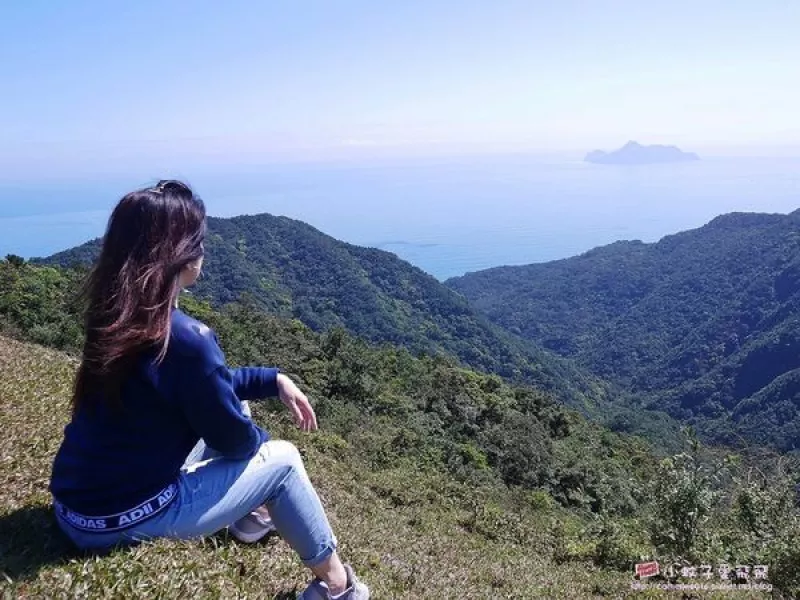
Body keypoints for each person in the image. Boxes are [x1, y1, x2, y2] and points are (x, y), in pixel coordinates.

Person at [49, 180, 369, 600]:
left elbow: (193, 386)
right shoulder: (187, 339)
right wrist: (258, 446)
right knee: (285, 463)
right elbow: (235, 441)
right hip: (125, 521)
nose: (203, 251)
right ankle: (338, 586)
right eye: (197, 242)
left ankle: (250, 519)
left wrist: (270, 380)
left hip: (74, 512)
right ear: (177, 256)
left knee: (239, 409)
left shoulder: (114, 316)